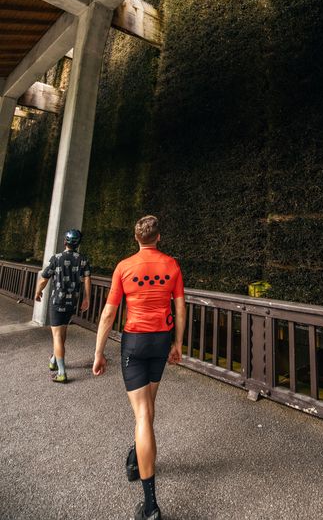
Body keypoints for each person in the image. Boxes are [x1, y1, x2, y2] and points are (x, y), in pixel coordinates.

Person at [93, 215, 186, 520]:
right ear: (158, 237)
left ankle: (150, 506)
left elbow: (108, 314)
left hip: (134, 342)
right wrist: (178, 344)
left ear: (137, 239)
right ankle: (135, 457)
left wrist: (98, 353)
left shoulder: (123, 267)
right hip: (161, 340)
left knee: (142, 414)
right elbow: (180, 307)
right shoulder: (171, 265)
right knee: (148, 407)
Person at [34, 228, 91, 383]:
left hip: (57, 302)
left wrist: (38, 292)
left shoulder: (56, 258)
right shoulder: (83, 259)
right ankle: (53, 360)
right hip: (72, 302)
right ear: (78, 244)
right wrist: (87, 298)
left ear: (65, 242)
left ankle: (62, 373)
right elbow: (87, 280)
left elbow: (44, 278)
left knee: (57, 336)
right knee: (62, 332)